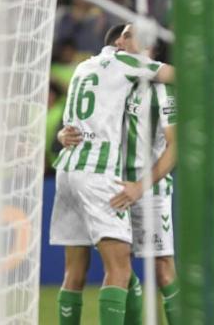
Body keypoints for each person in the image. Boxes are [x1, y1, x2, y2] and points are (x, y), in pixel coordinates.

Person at [49, 24, 174, 325]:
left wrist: (62, 135)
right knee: (119, 270)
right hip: (99, 173)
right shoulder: (124, 62)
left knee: (74, 273)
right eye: (137, 38)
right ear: (121, 41)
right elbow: (179, 75)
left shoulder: (83, 66)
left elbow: (73, 124)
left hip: (67, 171)